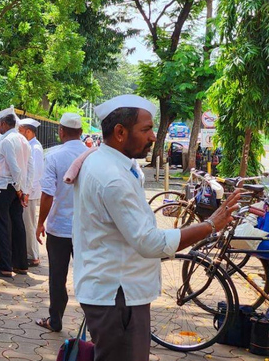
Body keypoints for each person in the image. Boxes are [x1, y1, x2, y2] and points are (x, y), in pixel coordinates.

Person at [72, 95, 241, 361]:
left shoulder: (109, 163)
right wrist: (210, 225)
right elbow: (150, 242)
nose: (153, 136)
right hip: (118, 296)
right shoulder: (112, 177)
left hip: (115, 292)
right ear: (119, 132)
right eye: (146, 129)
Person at [33, 112, 86, 333]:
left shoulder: (54, 156)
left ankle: (55, 320)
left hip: (60, 228)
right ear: (81, 133)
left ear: (61, 131)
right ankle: (94, 325)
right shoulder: (93, 155)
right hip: (87, 229)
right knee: (88, 276)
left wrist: (40, 223)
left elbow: (47, 194)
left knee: (57, 277)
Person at [0, 108, 33, 277]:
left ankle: (5, 266)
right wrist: (24, 189)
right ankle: (20, 263)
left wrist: (19, 189)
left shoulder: (7, 141)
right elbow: (30, 167)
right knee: (17, 224)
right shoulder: (24, 140)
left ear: (3, 124)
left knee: (1, 226)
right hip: (17, 187)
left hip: (6, 186)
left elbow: (14, 167)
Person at [18, 118, 43, 267]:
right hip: (27, 191)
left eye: (21, 131)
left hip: (31, 193)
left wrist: (27, 192)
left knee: (29, 224)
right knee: (26, 223)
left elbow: (36, 173)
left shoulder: (35, 148)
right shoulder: (29, 146)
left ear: (28, 131)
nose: (19, 134)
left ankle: (33, 255)